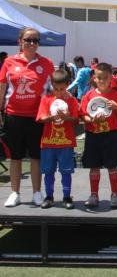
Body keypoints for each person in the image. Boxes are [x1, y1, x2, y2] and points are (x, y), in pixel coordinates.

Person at [1, 27, 54, 207]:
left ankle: (37, 193)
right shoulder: (9, 62)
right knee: (15, 157)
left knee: (36, 156)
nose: (32, 43)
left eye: (35, 40)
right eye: (28, 40)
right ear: (20, 41)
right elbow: (2, 88)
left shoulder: (46, 63)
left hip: (37, 118)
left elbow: (51, 92)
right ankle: (15, 193)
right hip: (13, 116)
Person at [80, 63, 117, 209]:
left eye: (105, 78)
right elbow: (83, 116)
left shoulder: (116, 95)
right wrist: (92, 119)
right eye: (99, 78)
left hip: (112, 135)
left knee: (112, 167)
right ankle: (94, 195)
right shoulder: (88, 96)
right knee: (94, 167)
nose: (102, 81)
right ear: (94, 78)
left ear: (111, 78)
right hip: (93, 135)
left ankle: (115, 195)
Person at [36, 69, 79, 209]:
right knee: (48, 171)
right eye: (56, 89)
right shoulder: (46, 99)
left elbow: (76, 120)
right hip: (48, 143)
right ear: (52, 85)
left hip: (66, 143)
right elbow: (41, 118)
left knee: (66, 171)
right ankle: (49, 197)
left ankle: (67, 197)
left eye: (62, 89)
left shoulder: (72, 101)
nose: (59, 92)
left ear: (67, 85)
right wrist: (51, 117)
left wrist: (66, 117)